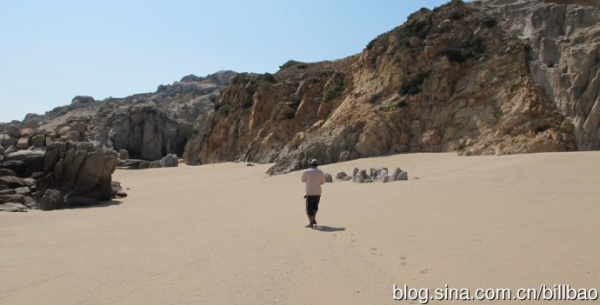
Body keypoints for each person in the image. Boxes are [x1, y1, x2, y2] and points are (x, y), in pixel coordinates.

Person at [301, 158, 325, 228]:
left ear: (311, 164)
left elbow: (302, 180)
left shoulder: (306, 171)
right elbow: (323, 182)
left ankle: (311, 223)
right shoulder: (321, 172)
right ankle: (314, 218)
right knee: (315, 207)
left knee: (309, 209)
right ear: (317, 165)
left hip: (309, 192)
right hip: (318, 192)